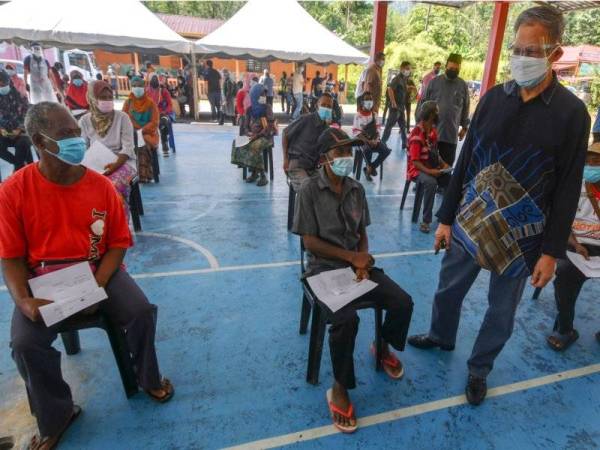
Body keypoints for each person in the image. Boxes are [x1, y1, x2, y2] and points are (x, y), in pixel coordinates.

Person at [408, 5, 591, 407]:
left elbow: (566, 188)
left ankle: (479, 369)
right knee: (448, 288)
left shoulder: (572, 114)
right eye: (517, 49)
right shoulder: (492, 99)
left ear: (555, 54)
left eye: (532, 51)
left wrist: (551, 251)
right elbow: (465, 161)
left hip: (523, 237)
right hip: (470, 222)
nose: (521, 59)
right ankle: (441, 335)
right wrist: (444, 219)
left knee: (501, 311)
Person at [1, 102, 174, 450]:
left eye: (77, 134)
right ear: (39, 140)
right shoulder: (14, 191)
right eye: (66, 136)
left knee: (140, 311)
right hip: (44, 279)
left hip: (99, 272)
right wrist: (24, 299)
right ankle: (57, 414)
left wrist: (95, 286)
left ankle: (148, 378)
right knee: (25, 343)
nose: (76, 142)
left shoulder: (101, 187)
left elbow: (117, 244)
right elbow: (11, 256)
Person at [292, 126, 413, 434]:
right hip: (323, 270)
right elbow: (309, 242)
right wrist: (351, 259)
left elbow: (361, 233)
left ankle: (382, 345)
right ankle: (339, 386)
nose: (346, 157)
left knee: (402, 302)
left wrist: (362, 260)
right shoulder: (308, 190)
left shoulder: (356, 189)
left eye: (349, 151)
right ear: (324, 159)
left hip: (355, 266)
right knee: (346, 322)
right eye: (339, 152)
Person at [546, 142, 600, 351]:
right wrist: (575, 244)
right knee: (565, 274)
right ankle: (566, 329)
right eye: (587, 161)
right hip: (577, 247)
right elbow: (559, 220)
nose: (590, 165)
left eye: (596, 161)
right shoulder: (572, 186)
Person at [80, 80, 137, 216]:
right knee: (83, 189)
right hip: (96, 166)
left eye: (110, 97)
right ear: (93, 99)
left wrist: (114, 166)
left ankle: (120, 228)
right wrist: (94, 168)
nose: (107, 101)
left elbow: (128, 148)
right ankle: (99, 227)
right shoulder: (84, 121)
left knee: (112, 187)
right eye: (103, 98)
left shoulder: (122, 118)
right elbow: (83, 149)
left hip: (123, 162)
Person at [406, 101, 451, 234]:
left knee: (451, 180)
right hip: (417, 170)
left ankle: (443, 213)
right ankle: (426, 221)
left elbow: (435, 153)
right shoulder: (416, 134)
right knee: (431, 183)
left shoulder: (432, 132)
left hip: (432, 167)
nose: (439, 114)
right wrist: (431, 171)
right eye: (437, 111)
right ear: (431, 114)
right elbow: (415, 162)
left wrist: (443, 164)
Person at [418, 53, 470, 167]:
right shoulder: (434, 83)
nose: (453, 71)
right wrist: (420, 126)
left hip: (451, 136)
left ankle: (443, 185)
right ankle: (429, 185)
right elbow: (422, 104)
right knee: (429, 165)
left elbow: (466, 107)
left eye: (456, 69)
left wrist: (465, 128)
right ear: (446, 66)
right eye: (451, 68)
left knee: (447, 168)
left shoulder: (462, 86)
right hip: (431, 135)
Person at [282, 93, 332, 192]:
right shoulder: (306, 119)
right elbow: (285, 133)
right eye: (323, 105)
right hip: (297, 165)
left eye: (329, 106)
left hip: (313, 167)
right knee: (308, 188)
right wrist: (285, 159)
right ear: (317, 106)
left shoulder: (326, 128)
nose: (326, 108)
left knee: (328, 188)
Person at [231, 84, 275, 187]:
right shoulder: (249, 109)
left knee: (254, 146)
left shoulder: (267, 108)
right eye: (261, 94)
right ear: (254, 95)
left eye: (264, 94)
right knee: (237, 143)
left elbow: (270, 126)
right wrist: (248, 133)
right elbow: (245, 126)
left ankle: (262, 176)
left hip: (265, 137)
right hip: (252, 136)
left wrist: (257, 135)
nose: (264, 96)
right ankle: (254, 172)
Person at [123, 76, 159, 183]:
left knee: (142, 145)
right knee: (124, 147)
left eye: (139, 86)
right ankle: (128, 175)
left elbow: (155, 122)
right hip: (131, 133)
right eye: (134, 86)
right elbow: (123, 120)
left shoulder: (150, 103)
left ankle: (144, 175)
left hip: (147, 133)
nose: (137, 88)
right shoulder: (128, 103)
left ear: (144, 87)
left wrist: (141, 130)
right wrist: (132, 131)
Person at [352, 92, 391, 182]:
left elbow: (378, 130)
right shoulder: (358, 116)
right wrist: (368, 141)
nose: (369, 101)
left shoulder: (374, 115)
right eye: (367, 99)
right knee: (367, 150)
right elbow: (356, 132)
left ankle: (370, 167)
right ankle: (369, 167)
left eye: (370, 99)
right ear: (362, 102)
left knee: (386, 150)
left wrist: (376, 140)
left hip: (374, 139)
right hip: (361, 141)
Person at [0, 70, 32, 172]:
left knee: (23, 143)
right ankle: (20, 166)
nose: (2, 87)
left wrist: (19, 128)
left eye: (3, 84)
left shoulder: (20, 95)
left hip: (21, 131)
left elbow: (27, 114)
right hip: (3, 132)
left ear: (8, 81)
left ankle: (18, 170)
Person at [382, 61, 411, 149]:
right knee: (389, 125)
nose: (408, 71)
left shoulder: (404, 79)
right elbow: (390, 89)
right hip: (396, 107)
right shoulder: (397, 78)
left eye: (409, 69)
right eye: (407, 69)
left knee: (403, 126)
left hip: (401, 107)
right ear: (402, 68)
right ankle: (383, 142)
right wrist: (393, 102)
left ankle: (404, 143)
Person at [146, 74, 174, 157]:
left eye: (156, 78)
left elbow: (170, 104)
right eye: (152, 78)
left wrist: (165, 111)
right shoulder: (146, 91)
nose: (154, 80)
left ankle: (164, 143)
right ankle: (152, 144)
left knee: (163, 123)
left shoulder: (163, 91)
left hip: (162, 113)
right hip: (150, 114)